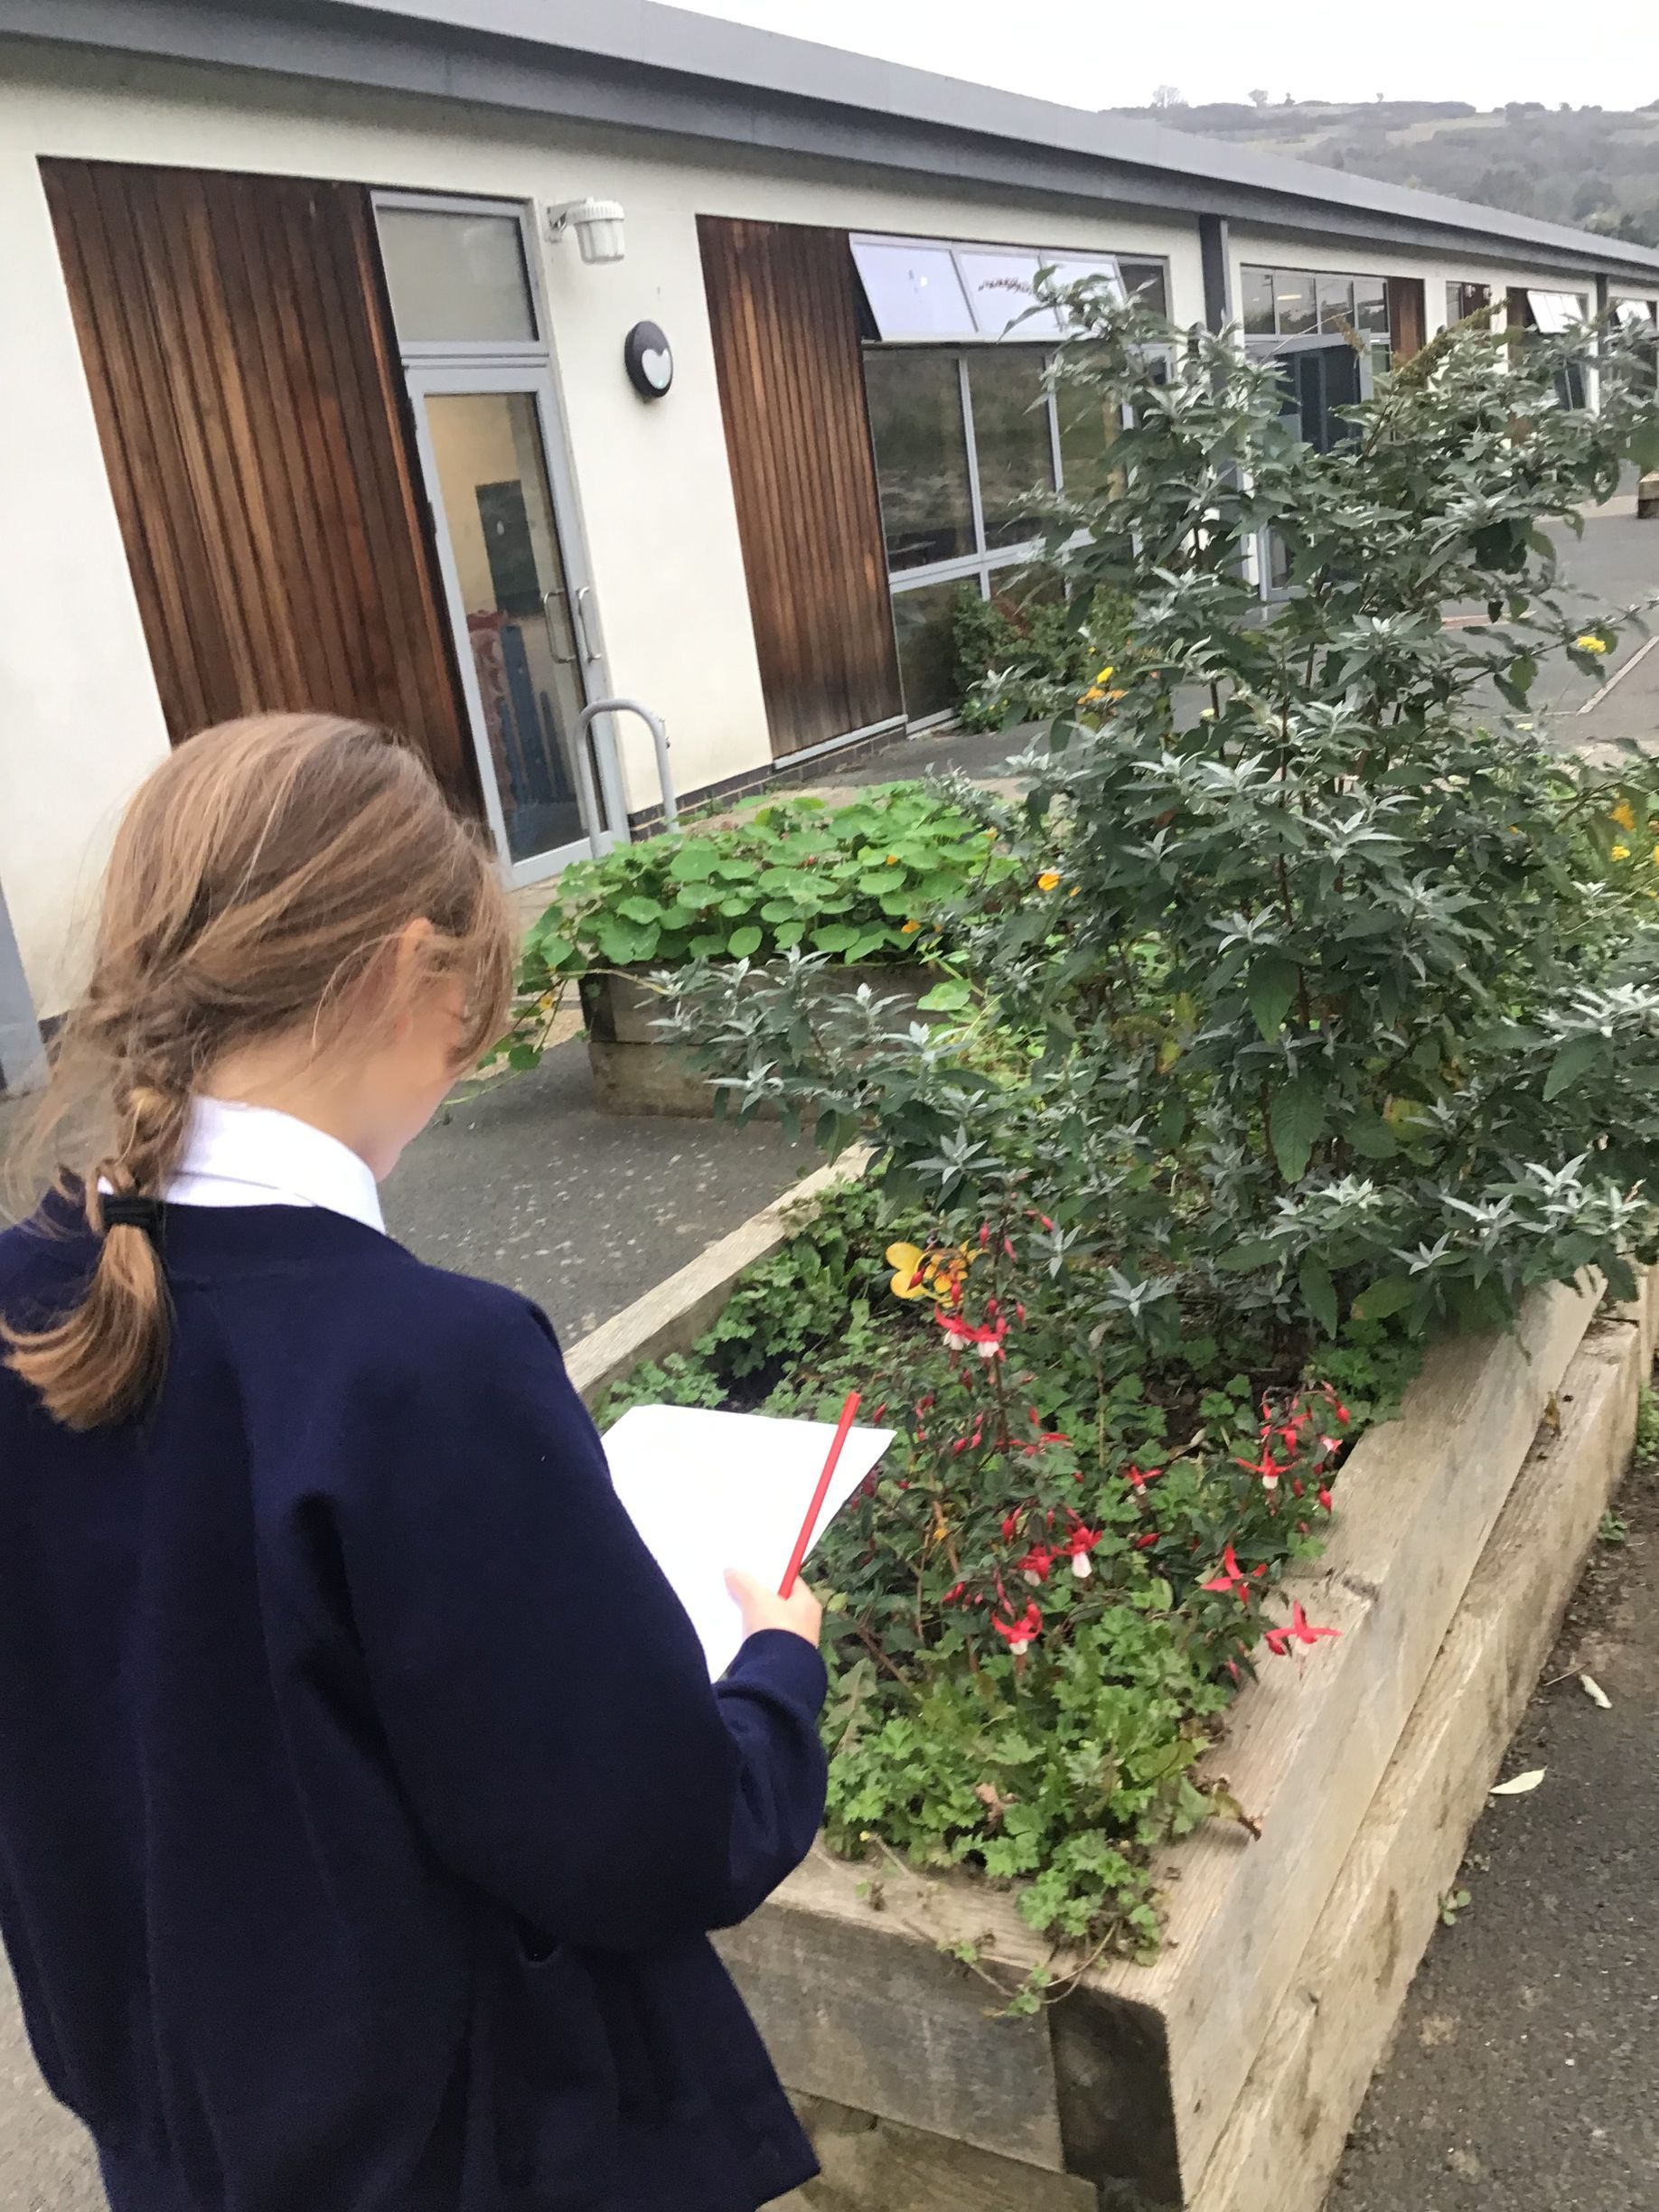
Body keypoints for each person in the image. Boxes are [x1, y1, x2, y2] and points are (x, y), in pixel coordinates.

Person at [0, 714, 828, 2212]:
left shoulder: (23, 1292)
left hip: (171, 2136)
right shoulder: (425, 1364)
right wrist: (777, 1670)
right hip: (444, 2153)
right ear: (402, 967)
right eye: (470, 1022)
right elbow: (649, 1839)